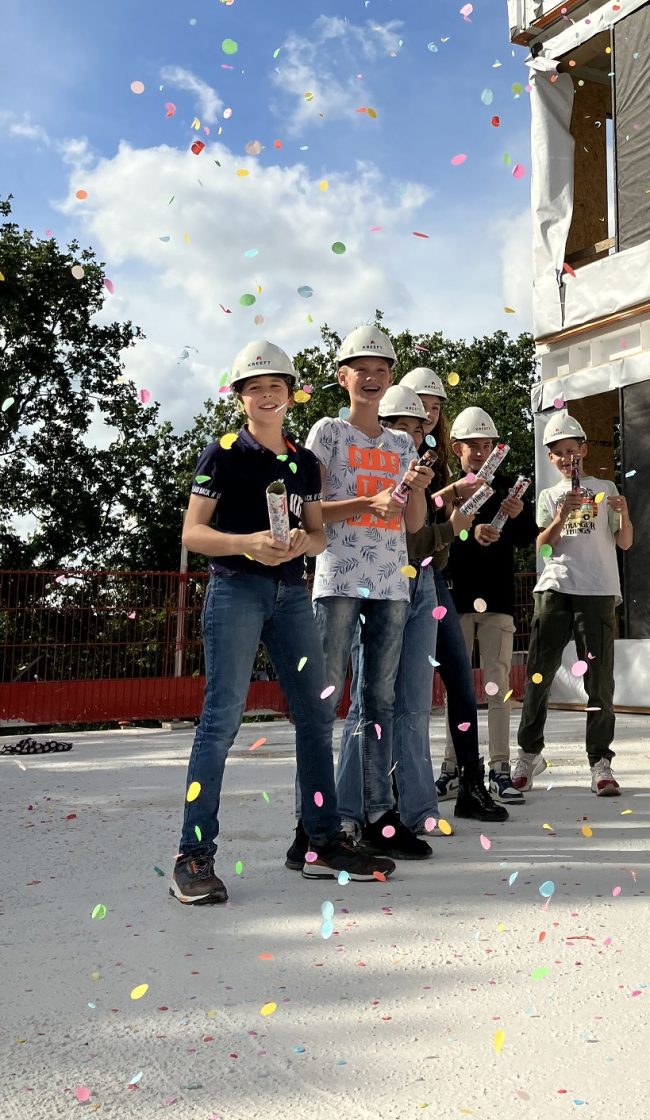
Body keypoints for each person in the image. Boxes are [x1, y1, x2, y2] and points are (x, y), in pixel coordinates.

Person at [172, 341, 394, 904]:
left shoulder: (303, 461)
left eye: (277, 386)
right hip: (235, 591)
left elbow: (318, 533)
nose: (267, 395)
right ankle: (193, 855)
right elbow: (193, 534)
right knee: (221, 718)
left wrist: (301, 539)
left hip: (292, 592)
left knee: (318, 714)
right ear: (241, 396)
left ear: (291, 394)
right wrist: (247, 543)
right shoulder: (222, 452)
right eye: (255, 387)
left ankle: (317, 843)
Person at [287, 324, 433, 869]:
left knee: (382, 701)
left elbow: (413, 522)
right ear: (342, 377)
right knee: (322, 702)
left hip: (392, 581)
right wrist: (368, 502)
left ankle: (379, 817)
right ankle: (312, 827)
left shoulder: (402, 443)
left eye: (381, 370)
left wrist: (411, 492)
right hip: (340, 579)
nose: (371, 379)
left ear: (391, 377)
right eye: (360, 369)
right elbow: (308, 511)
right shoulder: (326, 432)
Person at [398, 366, 509, 823]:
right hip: (397, 577)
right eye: (422, 403)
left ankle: (471, 782)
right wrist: (453, 503)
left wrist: (459, 512)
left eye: (436, 405)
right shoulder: (392, 450)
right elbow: (405, 509)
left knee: (462, 684)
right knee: (401, 692)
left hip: (433, 576)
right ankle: (398, 790)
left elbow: (435, 516)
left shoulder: (437, 455)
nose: (429, 412)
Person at [511, 410, 633, 797]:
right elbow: (544, 545)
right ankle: (529, 754)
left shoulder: (604, 486)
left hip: (597, 590)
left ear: (583, 449)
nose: (567, 459)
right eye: (558, 453)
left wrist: (624, 514)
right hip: (555, 587)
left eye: (572, 450)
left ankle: (600, 762)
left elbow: (625, 542)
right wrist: (562, 514)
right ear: (551, 458)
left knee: (599, 681)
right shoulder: (548, 495)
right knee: (538, 674)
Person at [439, 406, 537, 804]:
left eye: (486, 446)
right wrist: (469, 530)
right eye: (471, 446)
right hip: (456, 598)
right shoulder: (445, 490)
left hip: (497, 601)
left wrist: (517, 514)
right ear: (456, 447)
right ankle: (453, 768)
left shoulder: (508, 489)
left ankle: (499, 768)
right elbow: (435, 537)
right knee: (454, 689)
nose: (479, 453)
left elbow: (527, 537)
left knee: (497, 686)